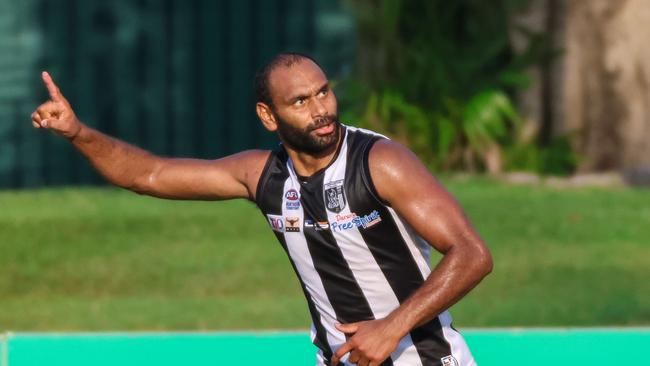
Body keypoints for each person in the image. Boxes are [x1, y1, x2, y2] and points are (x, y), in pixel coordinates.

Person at [31, 53, 492, 366]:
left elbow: (472, 254)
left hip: (427, 358)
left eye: (323, 92)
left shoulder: (381, 162)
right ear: (269, 116)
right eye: (300, 101)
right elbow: (148, 175)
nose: (321, 110)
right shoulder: (262, 176)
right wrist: (77, 133)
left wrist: (392, 328)